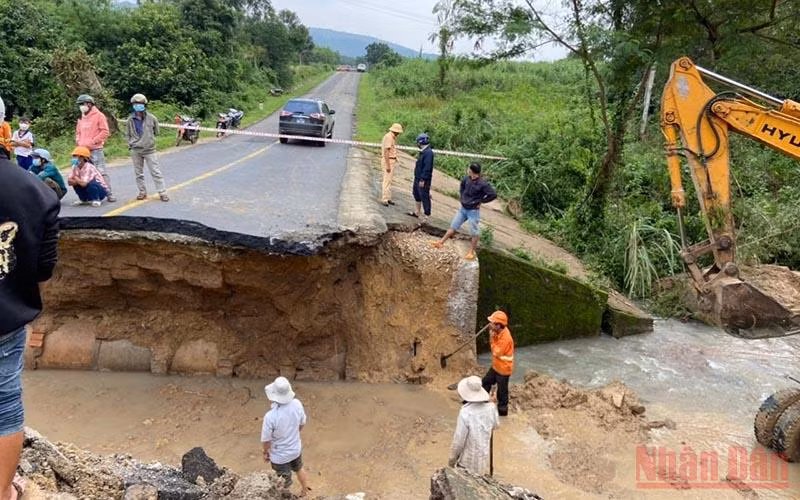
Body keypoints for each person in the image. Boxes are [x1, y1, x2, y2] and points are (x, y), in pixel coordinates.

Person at [0, 153, 60, 500]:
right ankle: (3, 491)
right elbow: (42, 271)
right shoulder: (35, 191)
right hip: (3, 321)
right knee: (5, 407)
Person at [431, 163, 497, 260]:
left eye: (469, 169)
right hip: (463, 208)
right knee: (453, 226)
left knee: (474, 231)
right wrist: (462, 197)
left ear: (472, 171)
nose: (467, 170)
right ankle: (440, 242)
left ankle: (471, 251)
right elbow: (462, 186)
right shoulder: (467, 178)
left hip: (473, 211)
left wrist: (481, 201)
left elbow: (493, 195)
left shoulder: (483, 184)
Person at [261, 377, 311, 496]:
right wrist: (293, 434)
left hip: (279, 456)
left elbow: (266, 440)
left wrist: (265, 452)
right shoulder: (297, 404)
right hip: (295, 449)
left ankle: (287, 497)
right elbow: (302, 423)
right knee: (299, 468)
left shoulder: (270, 416)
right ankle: (305, 489)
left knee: (283, 482)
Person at [448, 375, 499, 476]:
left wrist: (452, 460)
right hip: (482, 458)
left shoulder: (465, 412)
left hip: (466, 462)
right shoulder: (491, 408)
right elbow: (496, 425)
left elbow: (459, 441)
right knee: (479, 478)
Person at [126, 94, 169, 201]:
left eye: (140, 103)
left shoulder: (152, 118)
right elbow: (128, 134)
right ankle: (142, 192)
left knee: (155, 172)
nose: (138, 105)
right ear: (133, 105)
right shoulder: (130, 120)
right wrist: (130, 144)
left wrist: (149, 140)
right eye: (136, 103)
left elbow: (156, 132)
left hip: (150, 150)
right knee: (138, 173)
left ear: (144, 105)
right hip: (136, 150)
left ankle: (162, 192)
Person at [75, 95, 114, 202]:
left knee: (100, 171)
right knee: (84, 172)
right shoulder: (81, 117)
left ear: (89, 104)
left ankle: (109, 193)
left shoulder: (99, 116)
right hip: (83, 151)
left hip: (96, 149)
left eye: (82, 104)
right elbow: (78, 132)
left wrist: (93, 141)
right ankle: (89, 195)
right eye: (80, 104)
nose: (81, 106)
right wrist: (79, 141)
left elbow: (105, 131)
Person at [482, 310, 514, 417]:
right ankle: (481, 401)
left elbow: (496, 352)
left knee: (502, 392)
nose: (490, 324)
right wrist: (494, 334)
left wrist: (491, 338)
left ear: (498, 325)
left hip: (503, 370)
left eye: (492, 323)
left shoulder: (506, 338)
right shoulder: (499, 331)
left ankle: (502, 412)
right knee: (485, 382)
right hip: (496, 366)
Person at [407, 133, 433, 222]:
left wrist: (423, 179)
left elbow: (427, 167)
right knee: (416, 194)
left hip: (423, 179)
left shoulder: (428, 153)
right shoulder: (423, 151)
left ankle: (427, 215)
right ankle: (417, 212)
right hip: (417, 177)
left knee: (424, 196)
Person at [380, 123, 403, 207]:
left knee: (389, 180)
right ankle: (385, 198)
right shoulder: (389, 137)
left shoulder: (391, 137)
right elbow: (386, 151)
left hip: (391, 160)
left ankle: (388, 197)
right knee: (387, 180)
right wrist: (388, 165)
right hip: (389, 160)